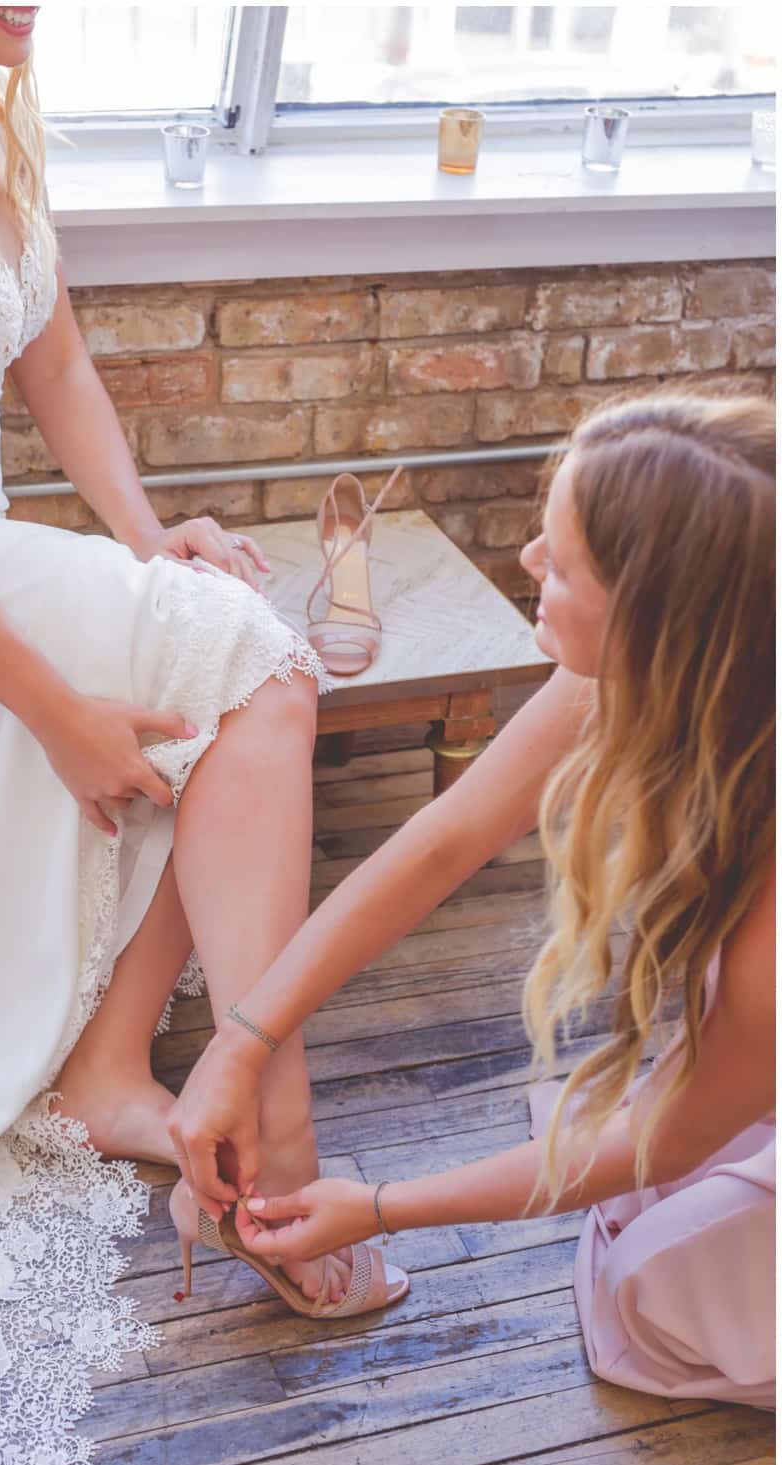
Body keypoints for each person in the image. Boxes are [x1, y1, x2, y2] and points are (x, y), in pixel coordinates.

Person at [0, 7, 402, 1465]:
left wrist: (148, 538)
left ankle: (121, 1065)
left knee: (241, 660)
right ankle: (276, 1149)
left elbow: (55, 368)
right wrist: (57, 709)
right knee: (260, 672)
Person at [170, 385, 775, 1409]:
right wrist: (242, 1040)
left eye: (560, 559)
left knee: (652, 1294)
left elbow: (665, 1137)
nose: (526, 564)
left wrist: (375, 1204)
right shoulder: (662, 664)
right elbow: (439, 842)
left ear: (652, 614)